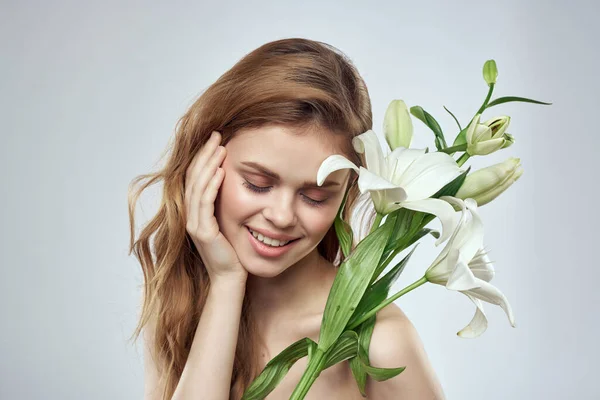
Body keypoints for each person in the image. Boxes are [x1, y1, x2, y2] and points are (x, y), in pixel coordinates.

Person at [128, 38, 445, 400]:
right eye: (257, 184)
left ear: (346, 193)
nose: (280, 217)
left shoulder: (381, 344)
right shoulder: (177, 300)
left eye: (314, 196)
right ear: (204, 162)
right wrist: (226, 283)